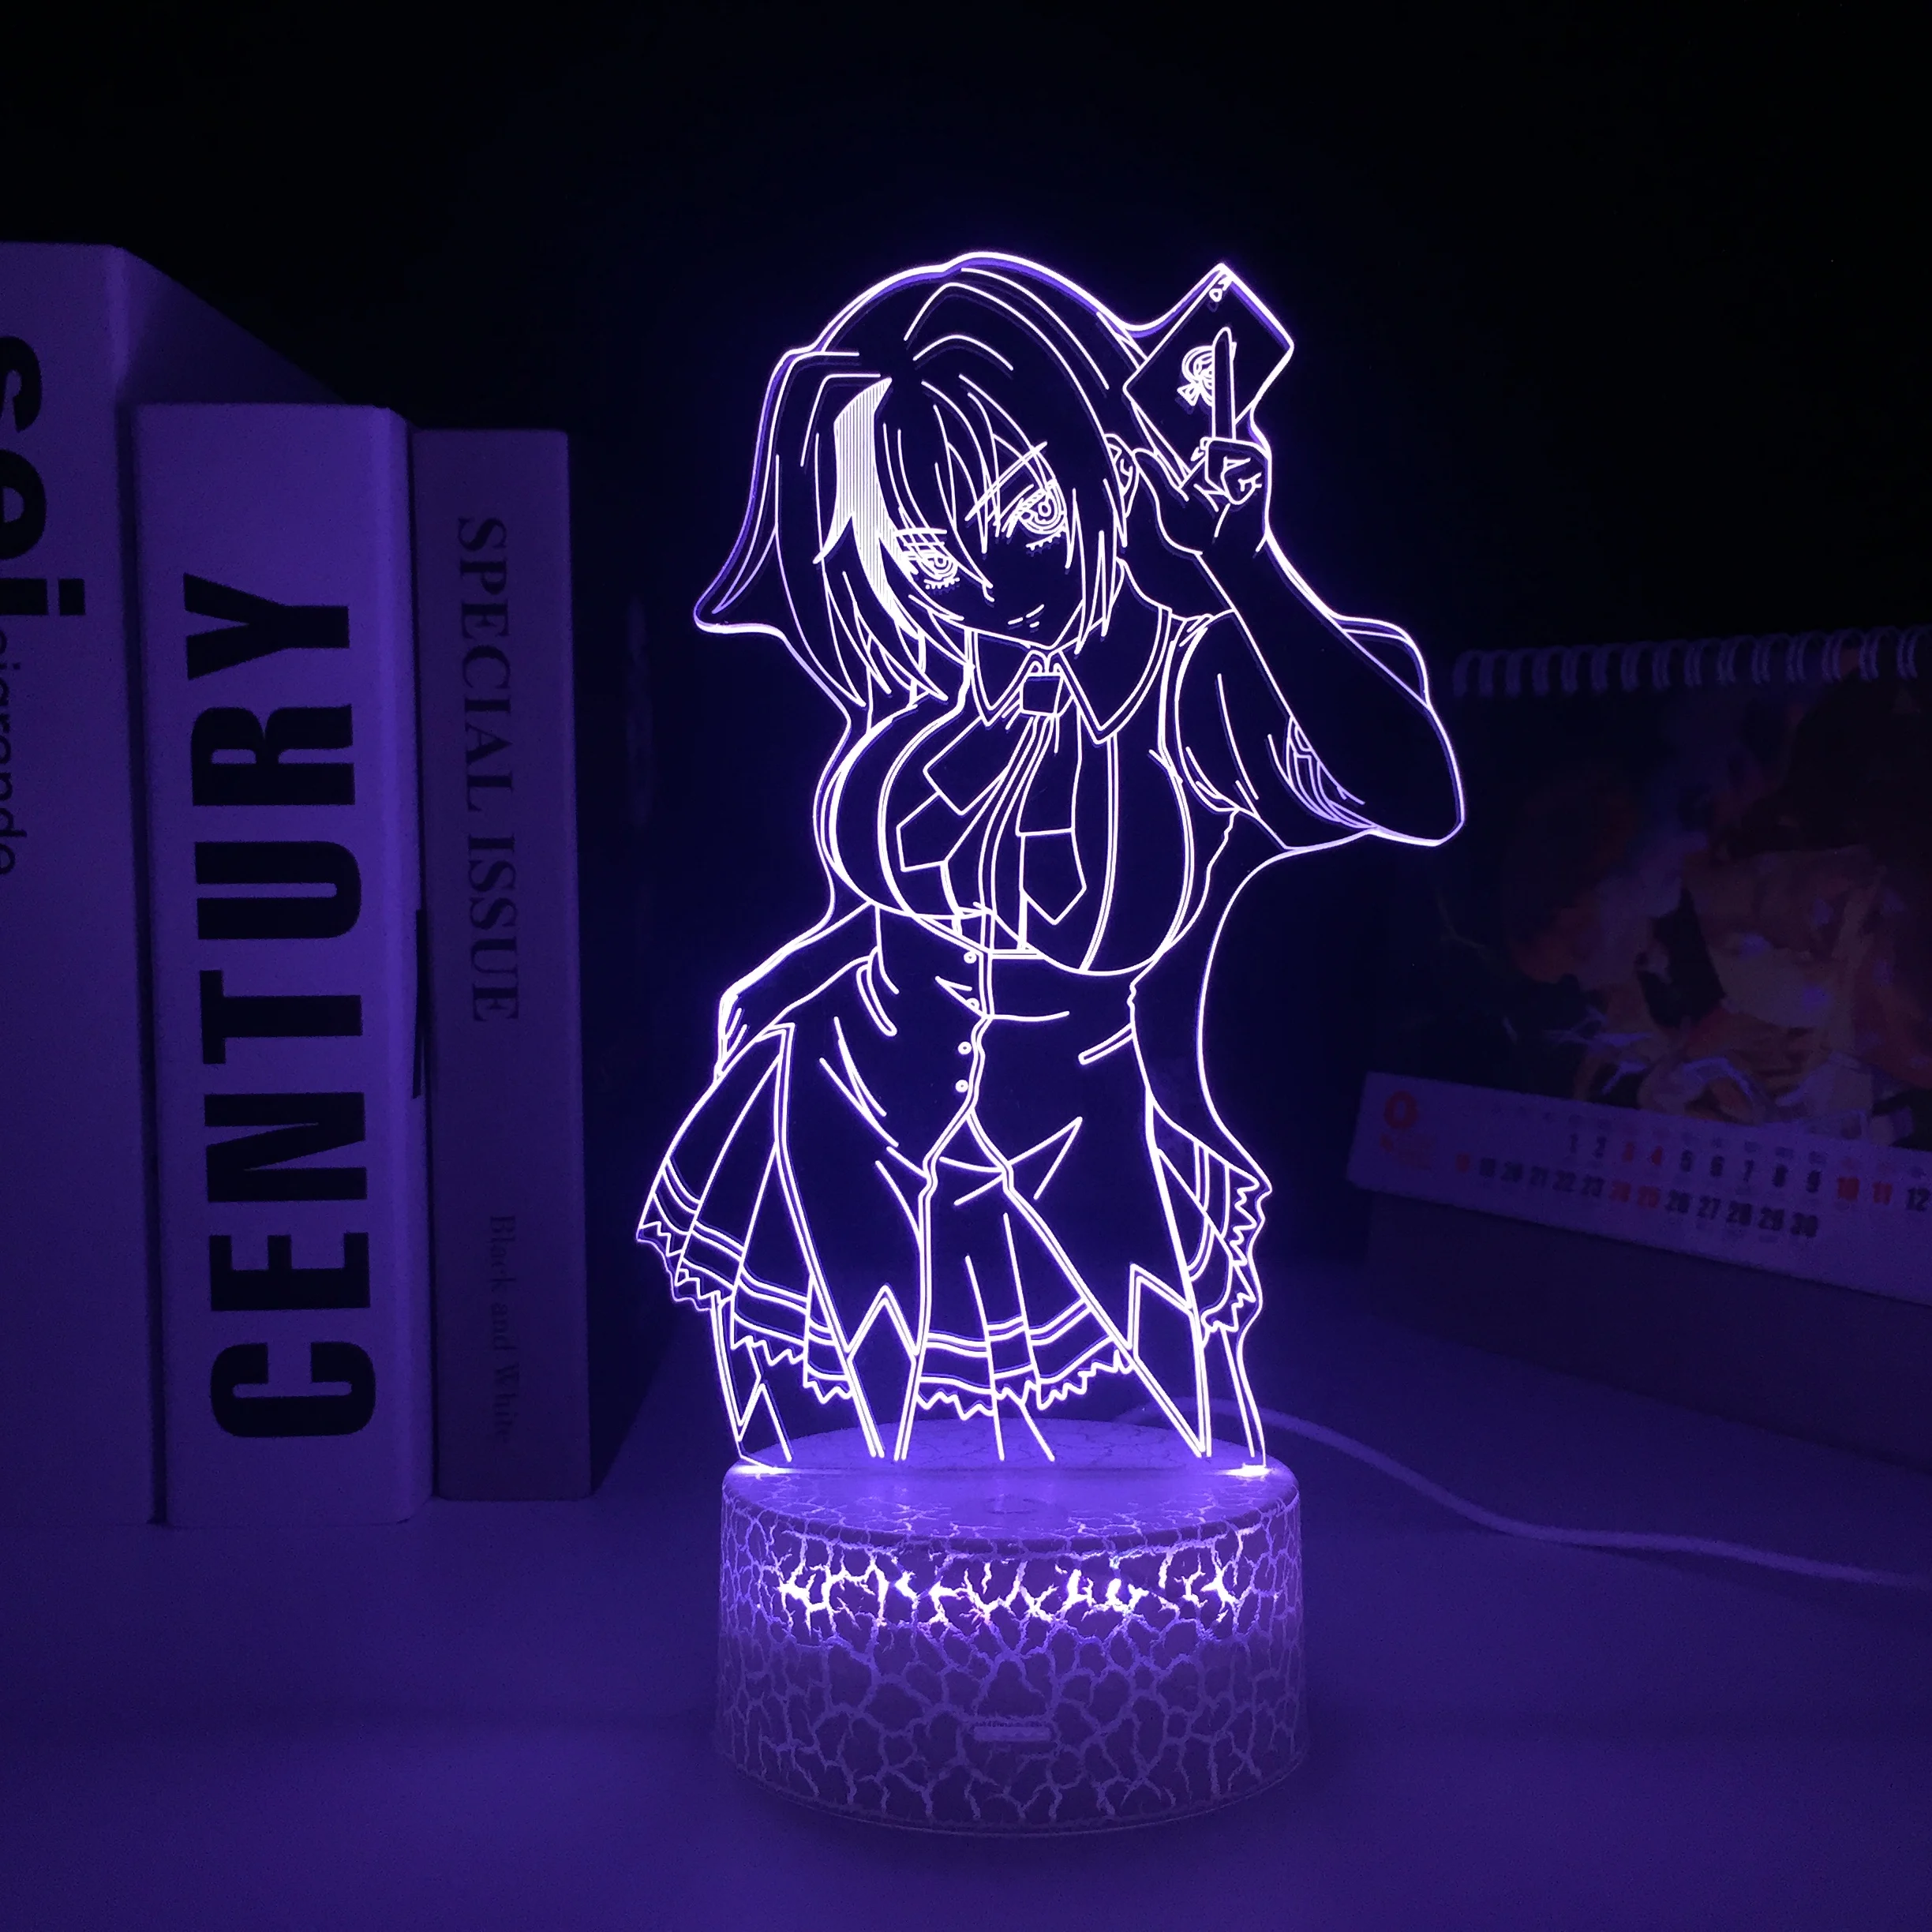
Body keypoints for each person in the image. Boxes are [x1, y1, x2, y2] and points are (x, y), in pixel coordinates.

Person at [638, 253, 1462, 1462]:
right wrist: (780, 990)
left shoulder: (1195, 682)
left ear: (1100, 466)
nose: (988, 587)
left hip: (1078, 1138)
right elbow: (900, 905)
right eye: (928, 558)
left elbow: (1413, 789)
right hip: (832, 1106)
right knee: (826, 1488)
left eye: (1024, 515)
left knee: (1166, 1490)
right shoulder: (933, 686)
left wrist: (1242, 566)